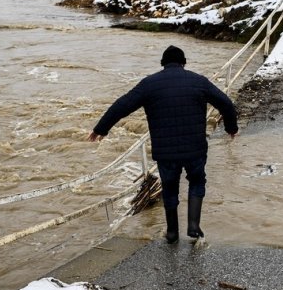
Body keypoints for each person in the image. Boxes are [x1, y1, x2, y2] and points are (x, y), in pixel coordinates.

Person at [88, 45, 238, 243]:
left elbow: (122, 105)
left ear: (162, 64)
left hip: (165, 152)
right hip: (195, 148)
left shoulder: (149, 84)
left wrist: (101, 129)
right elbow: (226, 103)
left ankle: (172, 232)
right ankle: (194, 226)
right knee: (197, 182)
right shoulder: (198, 81)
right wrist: (231, 127)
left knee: (169, 187)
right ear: (183, 63)